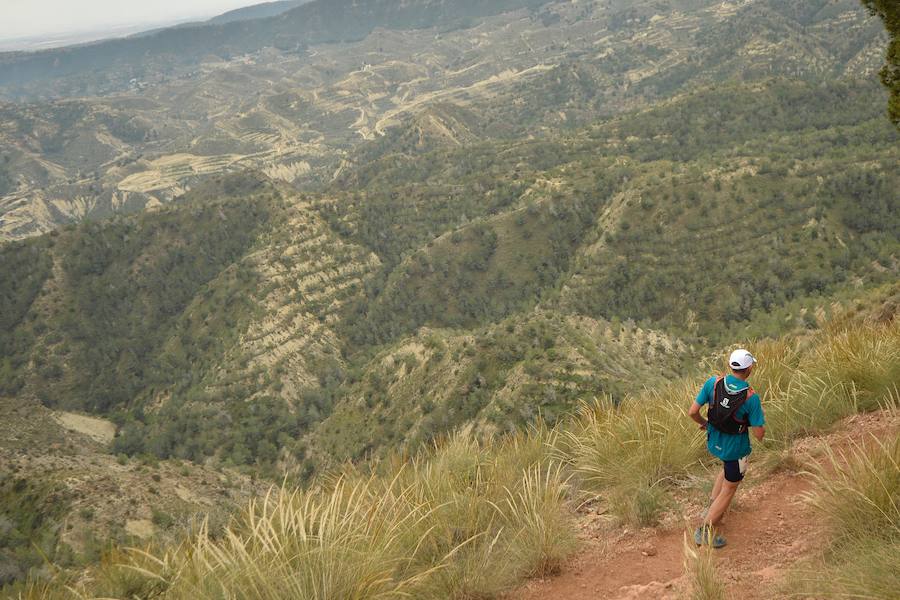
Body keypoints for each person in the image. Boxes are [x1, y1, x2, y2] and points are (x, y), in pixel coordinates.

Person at [688, 348, 765, 548]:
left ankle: (712, 509)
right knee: (730, 488)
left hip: (714, 441)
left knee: (725, 469)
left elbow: (692, 412)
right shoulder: (750, 397)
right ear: (748, 369)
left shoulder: (713, 383)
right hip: (736, 449)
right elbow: (759, 434)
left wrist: (705, 423)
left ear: (731, 366)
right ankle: (705, 530)